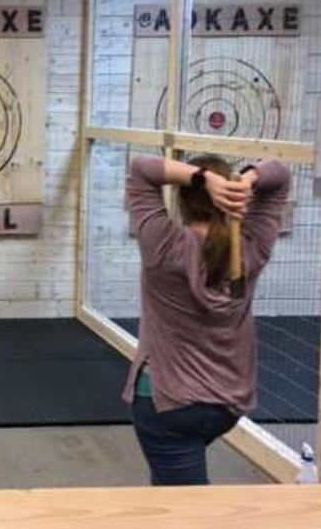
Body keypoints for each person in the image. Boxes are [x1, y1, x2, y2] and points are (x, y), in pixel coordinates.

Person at [123, 154, 290, 486]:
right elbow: (281, 175)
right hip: (226, 405)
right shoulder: (250, 247)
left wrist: (199, 177)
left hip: (169, 404)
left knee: (187, 508)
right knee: (169, 490)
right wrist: (247, 180)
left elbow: (141, 169)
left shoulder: (164, 246)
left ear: (182, 200)